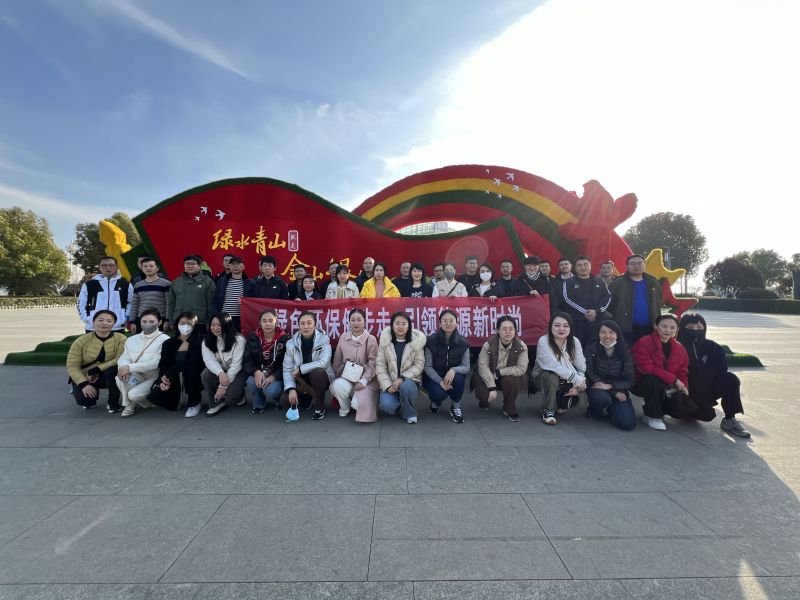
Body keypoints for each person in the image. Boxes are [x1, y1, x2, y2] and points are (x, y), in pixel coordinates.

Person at [677, 313, 750, 437]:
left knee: (730, 379)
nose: (695, 330)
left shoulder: (712, 347)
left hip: (706, 390)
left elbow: (721, 370)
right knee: (704, 414)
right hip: (685, 392)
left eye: (699, 327)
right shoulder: (676, 347)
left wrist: (703, 373)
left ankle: (729, 419)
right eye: (690, 327)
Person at [630, 314, 689, 431]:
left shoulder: (679, 348)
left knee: (683, 411)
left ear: (677, 329)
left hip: (666, 386)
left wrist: (684, 387)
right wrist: (674, 380)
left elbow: (683, 370)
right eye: (664, 326)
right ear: (656, 326)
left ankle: (661, 409)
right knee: (652, 379)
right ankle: (651, 416)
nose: (668, 330)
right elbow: (647, 368)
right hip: (641, 383)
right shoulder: (644, 342)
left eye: (672, 327)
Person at [147, 311, 206, 417]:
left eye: (189, 323)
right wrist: (162, 380)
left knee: (192, 369)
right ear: (177, 324)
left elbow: (194, 360)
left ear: (195, 325)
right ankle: (175, 397)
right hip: (175, 375)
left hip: (196, 372)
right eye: (182, 323)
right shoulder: (168, 343)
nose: (185, 326)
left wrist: (169, 373)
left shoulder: (201, 340)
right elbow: (164, 364)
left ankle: (194, 403)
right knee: (167, 403)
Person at [66, 310, 127, 412]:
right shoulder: (81, 340)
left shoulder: (121, 338)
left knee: (115, 369)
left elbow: (120, 358)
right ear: (93, 322)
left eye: (109, 321)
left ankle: (113, 402)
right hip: (86, 376)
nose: (105, 323)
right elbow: (72, 365)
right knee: (86, 401)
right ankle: (79, 386)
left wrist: (98, 369)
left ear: (114, 324)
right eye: (100, 320)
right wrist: (83, 384)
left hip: (107, 374)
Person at [532, 312, 587, 425]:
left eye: (566, 326)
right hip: (543, 376)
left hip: (567, 378)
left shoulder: (575, 341)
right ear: (550, 327)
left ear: (570, 328)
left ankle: (559, 402)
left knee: (583, 400)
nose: (561, 329)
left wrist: (578, 384)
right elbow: (553, 366)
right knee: (552, 377)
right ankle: (548, 411)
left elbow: (581, 365)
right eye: (557, 325)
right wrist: (577, 380)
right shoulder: (544, 341)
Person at [472, 316, 529, 421]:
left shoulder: (522, 346)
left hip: (507, 376)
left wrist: (500, 372)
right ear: (497, 330)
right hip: (488, 374)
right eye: (504, 329)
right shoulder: (488, 344)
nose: (508, 332)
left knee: (513, 381)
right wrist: (492, 388)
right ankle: (484, 402)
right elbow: (483, 367)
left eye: (511, 329)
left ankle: (509, 408)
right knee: (484, 396)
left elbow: (521, 368)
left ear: (515, 330)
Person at [281, 311, 335, 420]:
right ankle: (307, 395)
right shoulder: (291, 343)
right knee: (285, 401)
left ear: (315, 325)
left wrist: (300, 369)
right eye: (302, 323)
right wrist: (291, 388)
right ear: (298, 326)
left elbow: (324, 362)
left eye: (309, 323)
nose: (306, 326)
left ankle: (319, 406)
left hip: (320, 377)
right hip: (301, 379)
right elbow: (287, 369)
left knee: (317, 372)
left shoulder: (324, 339)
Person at [583, 320, 636, 430]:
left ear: (617, 334)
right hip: (597, 387)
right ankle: (594, 411)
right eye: (603, 332)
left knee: (627, 423)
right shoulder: (592, 348)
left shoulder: (625, 351)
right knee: (600, 397)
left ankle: (613, 408)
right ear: (598, 334)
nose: (607, 336)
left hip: (619, 390)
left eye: (611, 332)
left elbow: (630, 380)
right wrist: (613, 392)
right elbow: (589, 372)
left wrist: (611, 387)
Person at [117, 309, 170, 417]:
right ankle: (129, 405)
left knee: (133, 394)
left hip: (155, 377)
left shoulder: (165, 340)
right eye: (144, 321)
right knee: (119, 377)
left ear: (159, 322)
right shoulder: (131, 340)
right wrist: (123, 368)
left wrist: (130, 368)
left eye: (151, 322)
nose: (147, 324)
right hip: (137, 376)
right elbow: (124, 358)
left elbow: (157, 363)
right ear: (140, 322)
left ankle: (146, 401)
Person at [376, 311, 426, 424]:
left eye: (404, 324)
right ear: (392, 325)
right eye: (397, 323)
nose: (400, 326)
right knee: (386, 406)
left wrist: (402, 378)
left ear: (409, 326)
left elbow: (419, 365)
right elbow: (380, 366)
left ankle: (409, 413)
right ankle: (403, 403)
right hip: (391, 382)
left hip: (409, 381)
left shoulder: (416, 342)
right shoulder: (385, 342)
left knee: (407, 387)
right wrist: (388, 386)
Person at [330, 308, 380, 421]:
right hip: (347, 377)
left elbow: (373, 362)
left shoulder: (371, 339)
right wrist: (341, 371)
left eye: (359, 320)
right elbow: (337, 360)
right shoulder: (343, 337)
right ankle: (345, 406)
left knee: (358, 405)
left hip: (367, 381)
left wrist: (364, 380)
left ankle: (357, 401)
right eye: (353, 320)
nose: (356, 323)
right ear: (349, 322)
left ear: (364, 321)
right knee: (337, 385)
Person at [421, 309, 470, 423]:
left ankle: (456, 407)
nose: (448, 323)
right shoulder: (431, 341)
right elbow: (427, 367)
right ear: (440, 323)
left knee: (459, 378)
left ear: (457, 323)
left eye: (451, 320)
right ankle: (435, 401)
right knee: (438, 394)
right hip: (434, 377)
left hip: (452, 377)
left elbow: (466, 366)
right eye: (445, 321)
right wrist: (440, 382)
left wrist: (453, 370)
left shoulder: (463, 343)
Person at [608, 254, 662, 347]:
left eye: (639, 263)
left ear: (644, 265)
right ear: (627, 266)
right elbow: (608, 304)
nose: (636, 266)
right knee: (628, 353)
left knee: (646, 352)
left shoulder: (653, 282)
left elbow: (658, 302)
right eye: (632, 264)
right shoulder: (618, 283)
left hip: (649, 327)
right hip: (625, 328)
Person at [243, 308, 289, 414]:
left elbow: (287, 363)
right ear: (260, 323)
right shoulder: (253, 337)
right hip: (260, 371)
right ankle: (259, 399)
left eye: (271, 321)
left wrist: (274, 376)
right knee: (250, 381)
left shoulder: (285, 338)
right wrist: (256, 371)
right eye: (264, 321)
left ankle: (277, 398)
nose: (267, 324)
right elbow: (247, 359)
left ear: (276, 321)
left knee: (273, 390)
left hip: (276, 374)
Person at [202, 311, 248, 416]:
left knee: (232, 392)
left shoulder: (239, 340)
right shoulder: (207, 340)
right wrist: (220, 373)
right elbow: (209, 360)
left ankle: (240, 396)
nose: (215, 328)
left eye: (219, 325)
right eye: (212, 325)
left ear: (227, 324)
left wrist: (223, 386)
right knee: (206, 374)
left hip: (239, 371)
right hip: (222, 371)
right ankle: (216, 403)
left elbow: (237, 364)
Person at [560, 255, 611, 347]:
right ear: (574, 267)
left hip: (597, 321)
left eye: (585, 264)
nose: (583, 267)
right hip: (577, 322)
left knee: (597, 347)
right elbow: (568, 299)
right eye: (579, 265)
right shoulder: (569, 282)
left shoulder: (600, 282)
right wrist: (586, 312)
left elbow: (607, 297)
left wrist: (596, 311)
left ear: (590, 265)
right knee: (577, 347)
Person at [77, 256, 133, 333]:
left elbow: (132, 302)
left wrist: (125, 317)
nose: (108, 268)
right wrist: (87, 319)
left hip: (117, 327)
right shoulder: (89, 285)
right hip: (94, 328)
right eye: (104, 265)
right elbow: (81, 303)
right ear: (99, 267)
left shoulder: (125, 284)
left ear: (116, 267)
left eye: (111, 265)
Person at [167, 255, 215, 334]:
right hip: (180, 321)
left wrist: (210, 321)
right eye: (187, 263)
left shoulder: (207, 282)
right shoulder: (176, 282)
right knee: (181, 342)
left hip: (199, 322)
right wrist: (171, 320)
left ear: (199, 266)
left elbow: (211, 303)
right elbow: (171, 303)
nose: (190, 266)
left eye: (193, 264)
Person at [128, 257, 170, 333]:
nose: (148, 268)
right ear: (142, 268)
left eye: (151, 266)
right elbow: (134, 304)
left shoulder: (166, 283)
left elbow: (169, 303)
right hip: (141, 319)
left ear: (157, 268)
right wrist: (132, 321)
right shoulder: (138, 285)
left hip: (160, 319)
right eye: (145, 266)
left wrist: (167, 320)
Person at [213, 255, 248, 331]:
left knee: (240, 337)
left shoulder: (250, 283)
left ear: (243, 267)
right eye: (232, 264)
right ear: (229, 266)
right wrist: (216, 315)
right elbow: (215, 300)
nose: (235, 266)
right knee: (225, 336)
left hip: (241, 318)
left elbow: (253, 300)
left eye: (238, 264)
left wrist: (245, 301)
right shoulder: (221, 281)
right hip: (224, 316)